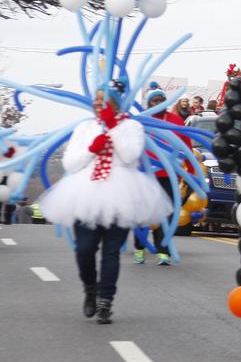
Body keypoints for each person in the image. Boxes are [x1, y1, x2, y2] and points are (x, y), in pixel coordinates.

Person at [39, 81, 172, 324]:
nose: (99, 104)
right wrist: (92, 148)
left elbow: (130, 156)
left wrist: (112, 128)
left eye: (104, 100)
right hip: (86, 193)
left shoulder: (131, 126)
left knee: (112, 252)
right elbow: (70, 163)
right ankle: (90, 288)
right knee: (84, 249)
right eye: (96, 100)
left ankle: (105, 301)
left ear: (115, 102)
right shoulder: (85, 127)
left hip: (121, 194)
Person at [133, 88, 190, 266]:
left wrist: (191, 173)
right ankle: (139, 247)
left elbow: (186, 146)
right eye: (154, 101)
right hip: (146, 174)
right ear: (148, 103)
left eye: (161, 100)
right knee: (143, 213)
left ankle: (163, 251)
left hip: (169, 175)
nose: (158, 104)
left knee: (168, 213)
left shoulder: (175, 120)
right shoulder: (142, 120)